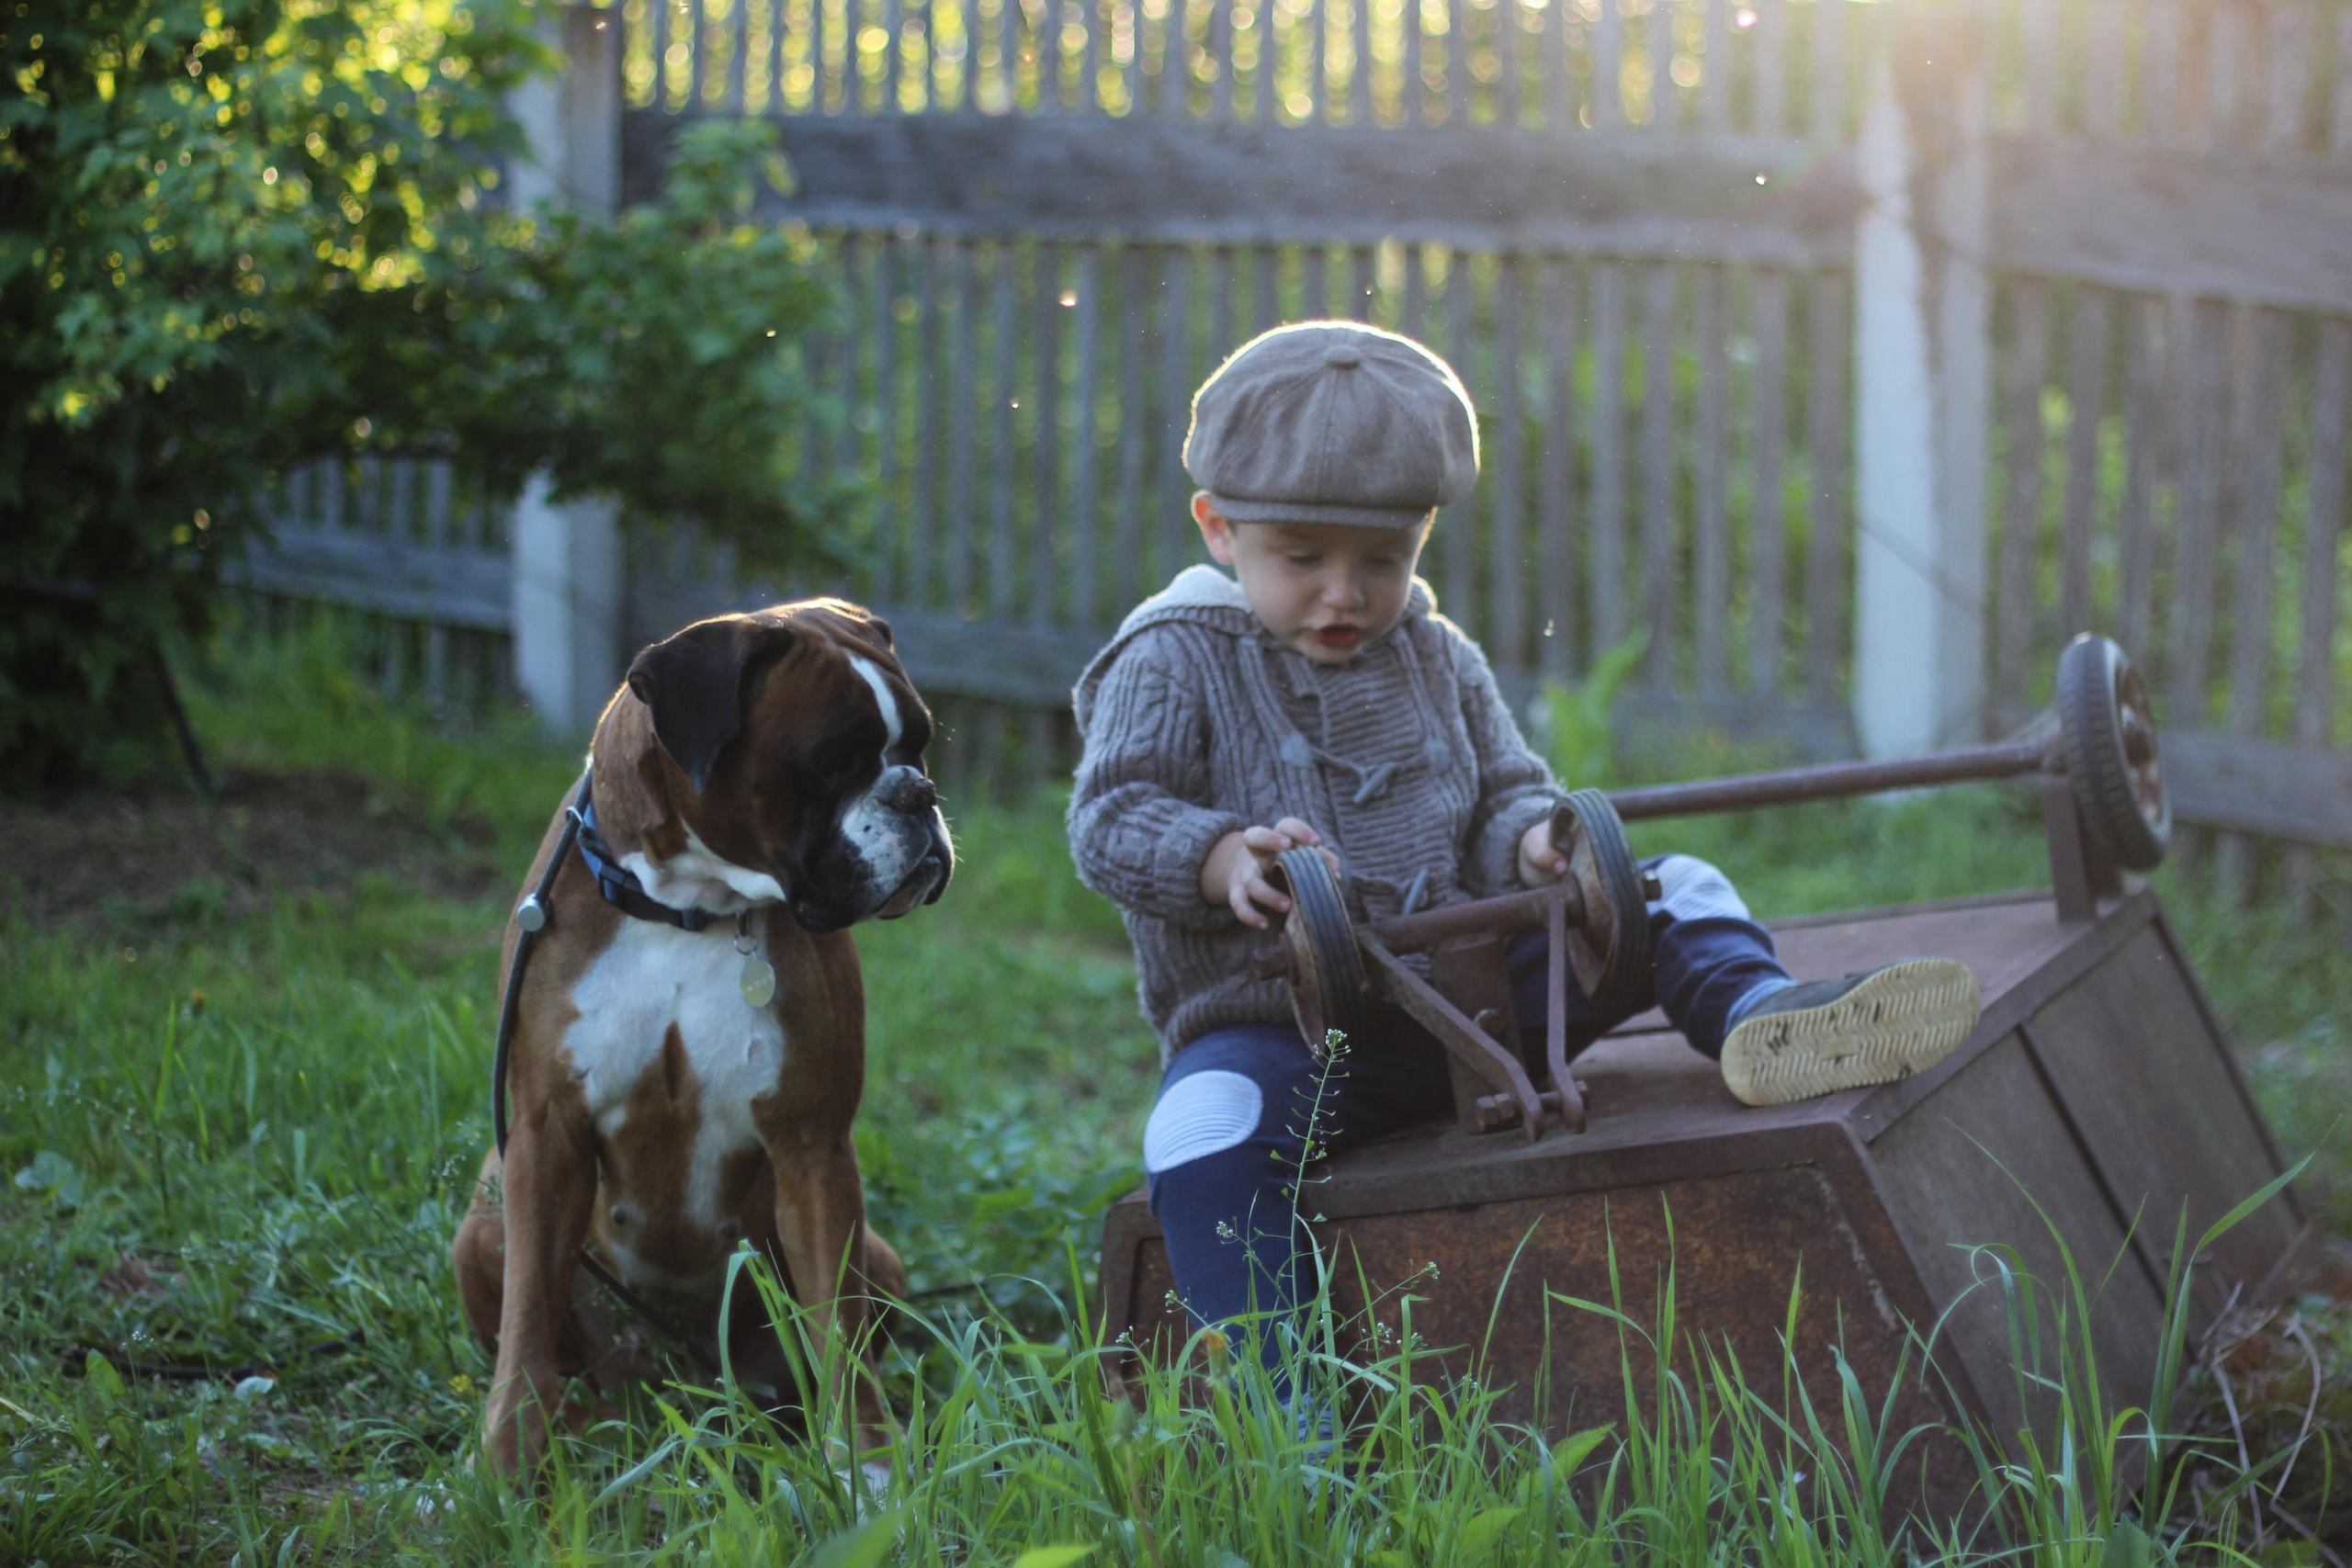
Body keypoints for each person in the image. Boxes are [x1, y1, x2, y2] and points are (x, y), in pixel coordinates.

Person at [1066, 321, 1981, 1371]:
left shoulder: (1434, 655)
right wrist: (1221, 858)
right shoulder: (1173, 656)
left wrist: (1538, 848)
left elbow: (1505, 793)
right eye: (1302, 558)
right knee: (1198, 1133)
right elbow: (1109, 815)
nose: (1346, 594)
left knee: (1665, 885)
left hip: (1489, 1010)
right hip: (1294, 1036)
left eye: (1384, 559)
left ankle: (1758, 1016)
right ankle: (1284, 1393)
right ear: (1218, 528)